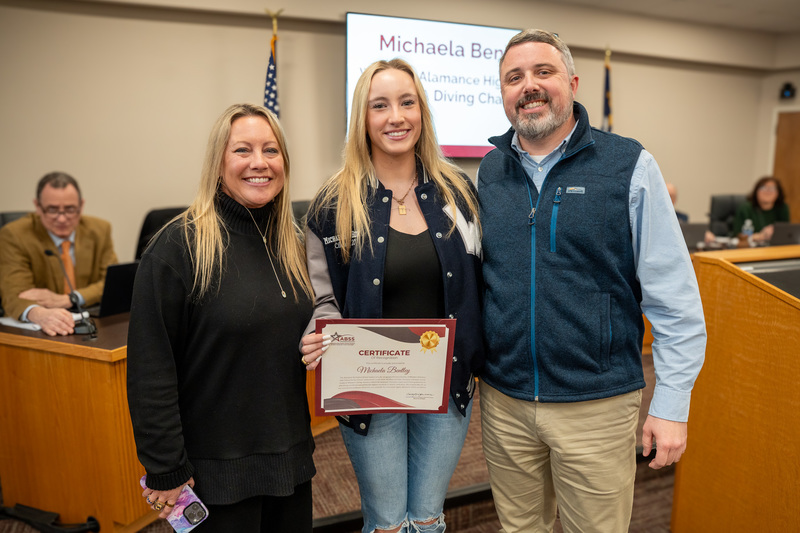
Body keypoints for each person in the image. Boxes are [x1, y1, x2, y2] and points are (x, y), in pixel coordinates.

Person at [477, 30, 706, 532]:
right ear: (502, 92)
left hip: (597, 407)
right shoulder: (490, 172)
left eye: (543, 72)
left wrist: (671, 406)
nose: (529, 86)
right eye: (514, 77)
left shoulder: (629, 166)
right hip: (505, 403)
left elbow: (675, 301)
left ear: (572, 82)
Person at [299, 59, 484, 533]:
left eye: (407, 102)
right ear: (363, 118)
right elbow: (322, 298)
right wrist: (317, 330)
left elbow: (480, 278)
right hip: (368, 386)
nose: (395, 117)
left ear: (421, 111)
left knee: (426, 518)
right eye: (379, 105)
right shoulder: (331, 205)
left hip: (445, 382)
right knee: (386, 522)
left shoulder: (458, 193)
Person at [126, 103, 316, 532]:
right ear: (217, 164)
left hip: (289, 463)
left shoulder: (294, 244)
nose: (259, 162)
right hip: (215, 475)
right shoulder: (178, 247)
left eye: (271, 150)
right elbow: (149, 370)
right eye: (242, 150)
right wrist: (165, 467)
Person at [0, 171, 118, 336]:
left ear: (81, 206)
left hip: (89, 325)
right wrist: (39, 314)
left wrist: (70, 298)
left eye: (70, 209)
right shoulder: (14, 235)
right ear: (38, 207)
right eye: (52, 210)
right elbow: (14, 293)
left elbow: (111, 283)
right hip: (42, 332)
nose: (62, 219)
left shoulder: (99, 230)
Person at [731, 176, 790, 243]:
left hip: (774, 247)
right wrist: (758, 236)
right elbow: (737, 235)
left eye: (772, 188)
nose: (767, 191)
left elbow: (786, 232)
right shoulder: (746, 208)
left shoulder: (782, 208)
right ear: (756, 191)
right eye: (763, 187)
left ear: (778, 193)